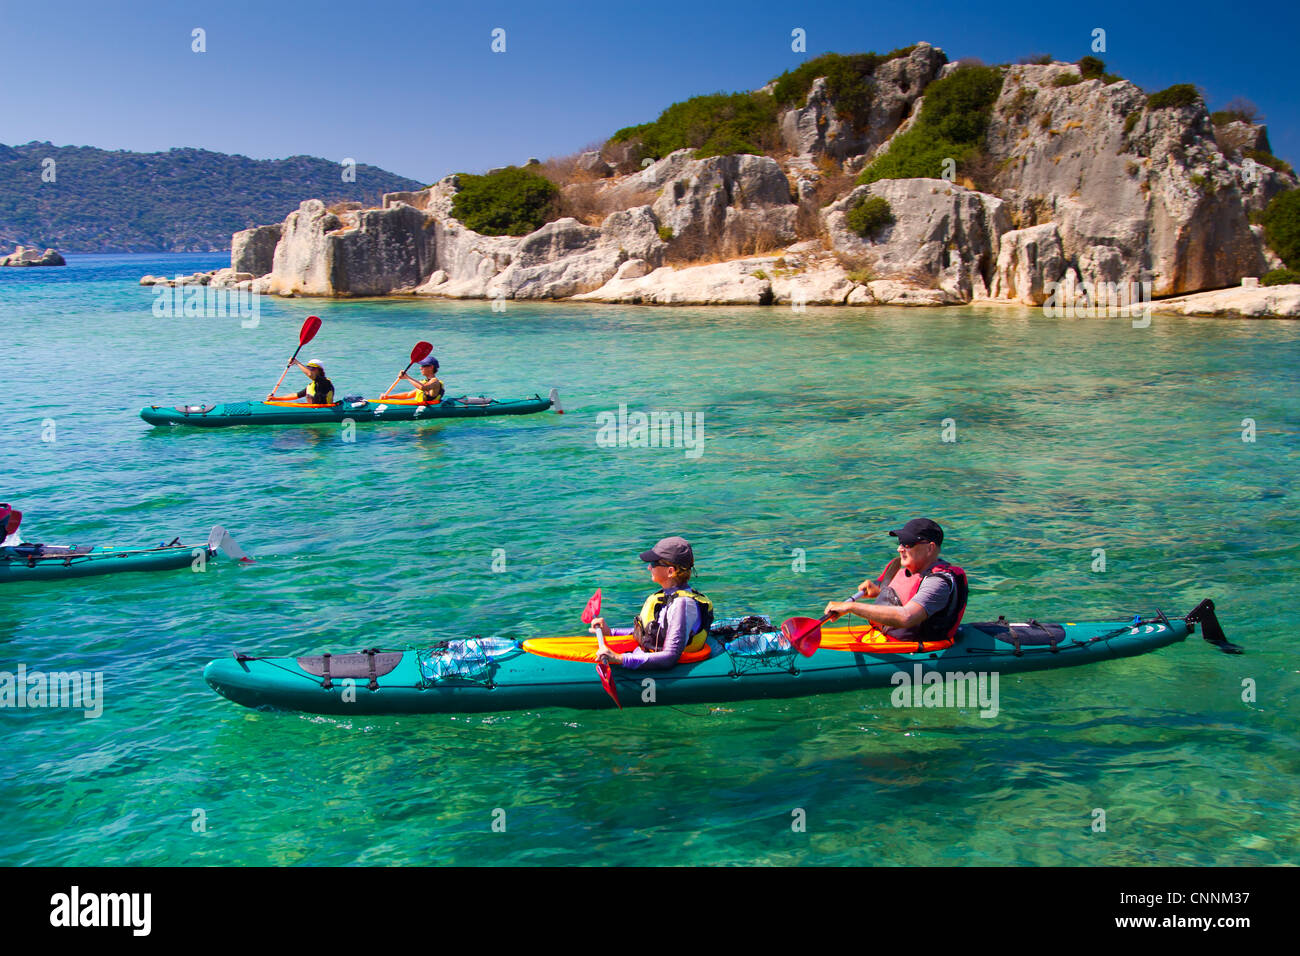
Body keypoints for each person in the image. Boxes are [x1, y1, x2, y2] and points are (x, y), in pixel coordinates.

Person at [823, 518, 968, 642]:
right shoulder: (899, 567)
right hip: (882, 637)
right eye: (900, 542)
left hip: (918, 649)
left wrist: (851, 607)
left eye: (907, 543)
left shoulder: (938, 582)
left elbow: (907, 617)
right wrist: (878, 590)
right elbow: (902, 591)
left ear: (930, 548)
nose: (900, 548)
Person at [591, 536, 715, 669]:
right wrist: (611, 632)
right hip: (645, 655)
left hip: (665, 669)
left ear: (670, 571)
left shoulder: (683, 605)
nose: (649, 567)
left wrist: (619, 658)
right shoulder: (666, 595)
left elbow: (670, 657)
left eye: (654, 563)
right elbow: (650, 634)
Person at [270, 359, 335, 404]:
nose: (310, 371)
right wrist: (275, 399)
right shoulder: (312, 385)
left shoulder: (325, 382)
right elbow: (295, 395)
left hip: (323, 410)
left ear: (319, 370)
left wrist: (296, 362)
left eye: (313, 369)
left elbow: (310, 374)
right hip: (314, 409)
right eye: (309, 369)